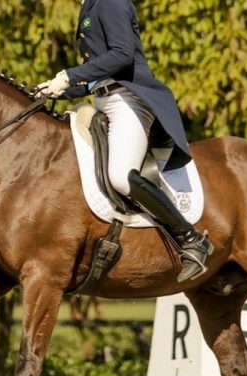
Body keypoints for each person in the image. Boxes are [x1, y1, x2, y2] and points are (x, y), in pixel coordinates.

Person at [36, 0, 213, 282]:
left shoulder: (109, 1)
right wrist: (55, 92)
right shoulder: (90, 6)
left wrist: (69, 76)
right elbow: (97, 73)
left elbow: (121, 55)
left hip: (128, 99)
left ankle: (191, 239)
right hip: (105, 99)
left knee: (119, 176)